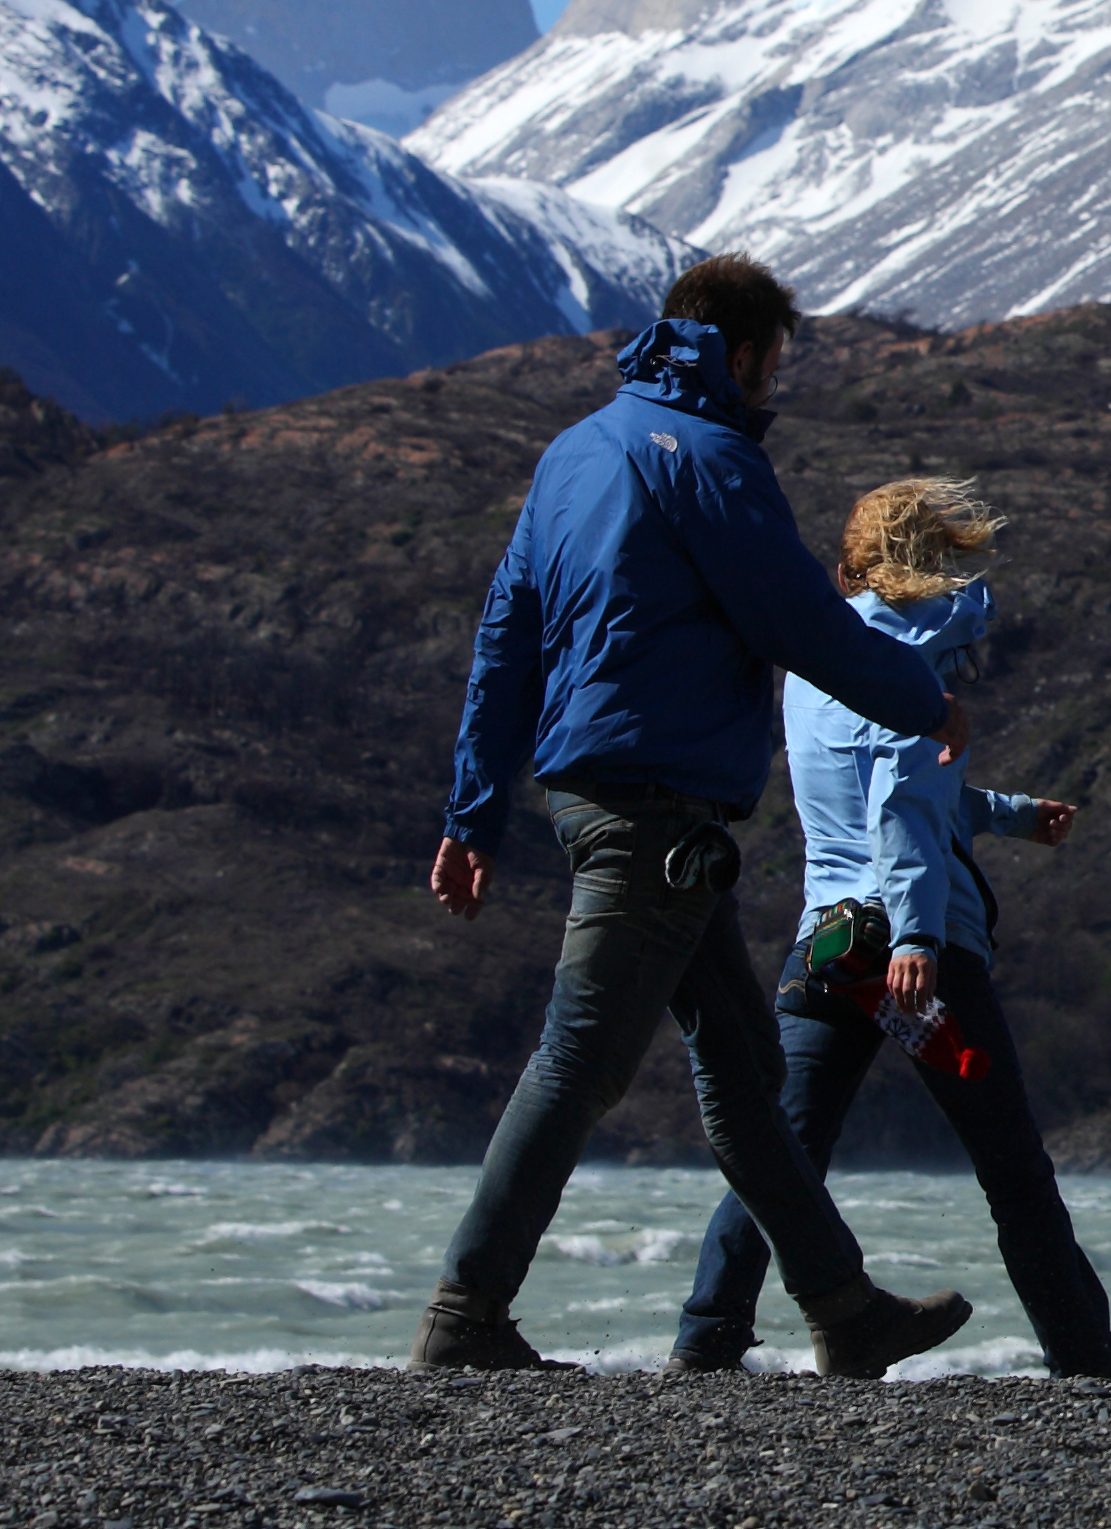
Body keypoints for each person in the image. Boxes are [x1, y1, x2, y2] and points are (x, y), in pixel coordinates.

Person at [415, 254, 978, 1378]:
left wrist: (474, 813)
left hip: (595, 796)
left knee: (741, 1066)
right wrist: (927, 699)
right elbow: (800, 624)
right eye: (776, 362)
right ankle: (465, 1315)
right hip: (656, 809)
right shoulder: (710, 458)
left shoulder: (574, 452)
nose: (777, 385)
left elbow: (505, 641)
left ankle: (844, 1307)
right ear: (740, 352)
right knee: (578, 1059)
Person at [669, 477, 1111, 1382]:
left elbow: (897, 793)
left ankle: (707, 1336)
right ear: (931, 560)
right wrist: (916, 939)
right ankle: (1083, 1352)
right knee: (1010, 1163)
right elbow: (900, 803)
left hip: (831, 947)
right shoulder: (905, 662)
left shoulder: (817, 665)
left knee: (783, 1154)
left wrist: (1013, 815)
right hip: (916, 959)